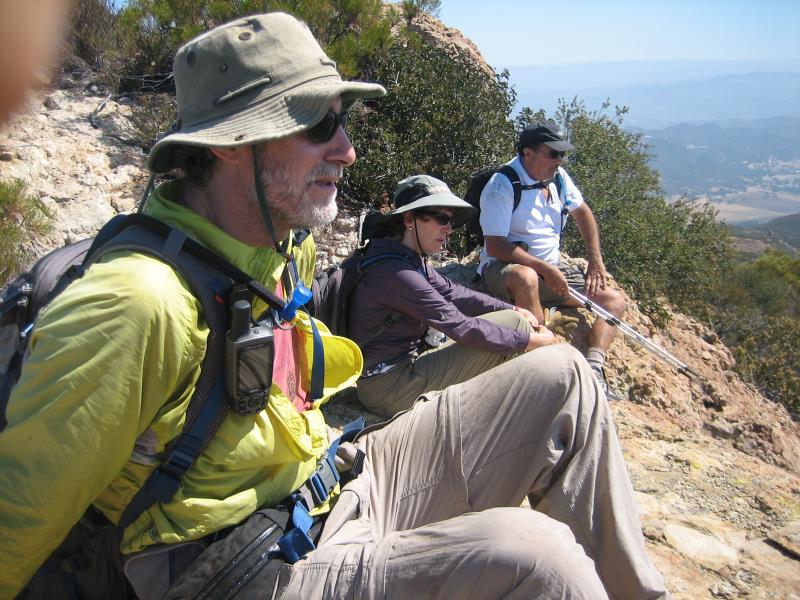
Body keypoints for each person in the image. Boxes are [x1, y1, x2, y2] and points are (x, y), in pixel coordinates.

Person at [0, 12, 670, 600]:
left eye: (342, 121)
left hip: (336, 479)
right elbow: (16, 522)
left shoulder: (276, 248)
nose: (347, 149)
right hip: (250, 567)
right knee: (538, 561)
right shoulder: (135, 305)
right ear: (235, 145)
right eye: (320, 124)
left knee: (567, 381)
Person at [348, 174, 557, 417]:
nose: (449, 229)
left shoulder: (402, 257)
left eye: (451, 220)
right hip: (389, 388)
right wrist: (531, 342)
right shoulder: (397, 272)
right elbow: (460, 326)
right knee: (518, 330)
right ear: (409, 219)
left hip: (390, 375)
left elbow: (453, 292)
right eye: (441, 218)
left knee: (515, 320)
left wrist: (512, 308)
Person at [478, 120, 627, 391]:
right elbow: (495, 246)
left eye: (562, 154)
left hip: (549, 272)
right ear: (528, 153)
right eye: (553, 153)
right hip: (505, 269)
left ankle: (595, 367)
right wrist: (543, 268)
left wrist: (595, 260)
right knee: (526, 277)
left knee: (613, 301)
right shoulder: (502, 186)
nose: (560, 160)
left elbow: (583, 212)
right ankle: (543, 360)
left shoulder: (557, 178)